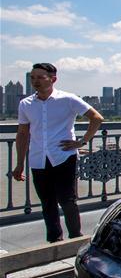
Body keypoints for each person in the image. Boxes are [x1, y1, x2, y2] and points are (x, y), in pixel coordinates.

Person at [12, 63, 104, 242]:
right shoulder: (26, 104)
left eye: (40, 77)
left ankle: (76, 238)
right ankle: (54, 241)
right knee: (47, 202)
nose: (35, 81)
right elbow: (22, 134)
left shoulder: (68, 99)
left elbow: (96, 118)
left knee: (67, 199)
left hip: (63, 156)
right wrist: (19, 163)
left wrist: (82, 141)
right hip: (38, 158)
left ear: (53, 79)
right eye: (32, 77)